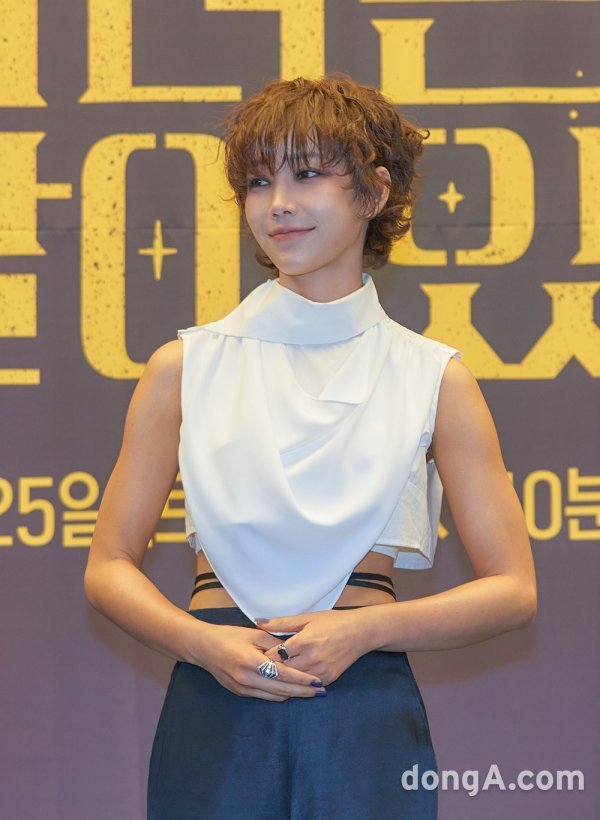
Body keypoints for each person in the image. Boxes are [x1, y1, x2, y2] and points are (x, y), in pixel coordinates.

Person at [84, 74, 537, 820]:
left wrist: (366, 630)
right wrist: (204, 645)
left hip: (363, 701)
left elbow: (513, 590)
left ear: (375, 191)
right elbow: (107, 566)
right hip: (216, 698)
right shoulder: (184, 367)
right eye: (258, 182)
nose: (278, 204)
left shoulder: (434, 377)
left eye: (306, 175)